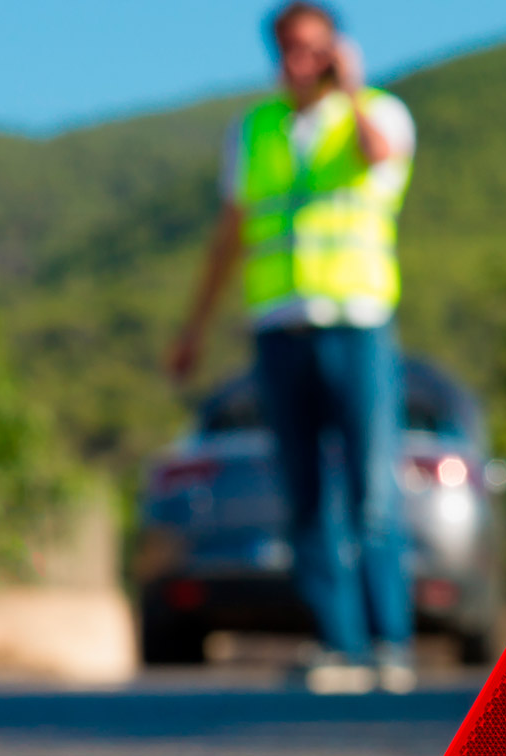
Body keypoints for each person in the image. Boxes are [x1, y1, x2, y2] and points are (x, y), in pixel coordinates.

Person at [167, 1, 417, 695]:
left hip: (356, 322)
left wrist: (353, 87)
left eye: (314, 48)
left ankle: (389, 641)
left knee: (371, 489)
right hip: (278, 328)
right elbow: (230, 234)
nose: (299, 62)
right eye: (288, 49)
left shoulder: (378, 112)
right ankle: (337, 644)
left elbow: (381, 157)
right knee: (305, 495)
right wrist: (194, 327)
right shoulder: (256, 131)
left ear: (336, 49)